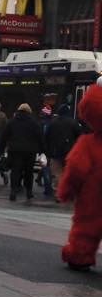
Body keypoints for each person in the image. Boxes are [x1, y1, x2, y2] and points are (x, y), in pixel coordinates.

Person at [57, 79, 102, 271]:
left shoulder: (87, 144)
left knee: (86, 227)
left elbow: (75, 169)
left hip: (92, 196)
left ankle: (80, 255)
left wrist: (66, 191)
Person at [0, 102, 43, 203]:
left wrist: (1, 150)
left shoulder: (12, 122)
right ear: (29, 112)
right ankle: (29, 192)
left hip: (15, 151)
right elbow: (40, 137)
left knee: (15, 171)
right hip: (30, 151)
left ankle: (13, 192)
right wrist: (42, 150)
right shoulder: (34, 123)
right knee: (29, 172)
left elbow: (4, 136)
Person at [45, 103, 81, 193]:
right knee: (68, 173)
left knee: (57, 174)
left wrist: (47, 152)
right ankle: (68, 191)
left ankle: (58, 192)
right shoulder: (73, 123)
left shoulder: (52, 123)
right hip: (70, 152)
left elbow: (46, 138)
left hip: (55, 152)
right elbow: (80, 137)